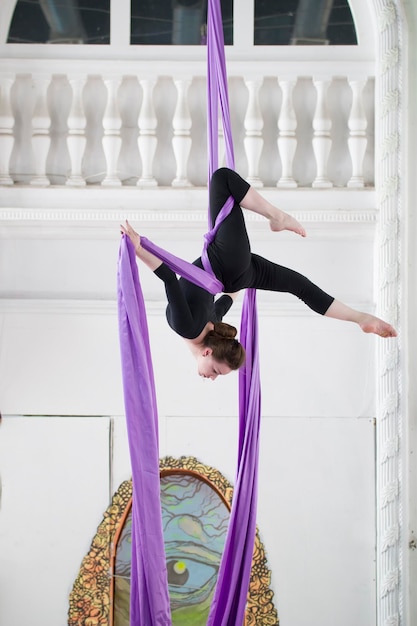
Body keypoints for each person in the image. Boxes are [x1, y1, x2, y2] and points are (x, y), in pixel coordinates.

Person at [121, 168, 397, 380]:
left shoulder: (211, 327)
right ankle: (277, 217)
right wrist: (138, 250)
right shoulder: (192, 329)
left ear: (208, 351)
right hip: (226, 264)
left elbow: (222, 297)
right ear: (207, 351)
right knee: (222, 179)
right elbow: (170, 278)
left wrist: (138, 248)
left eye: (216, 373)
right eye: (217, 372)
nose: (212, 378)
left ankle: (361, 318)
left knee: (298, 286)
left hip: (236, 273)